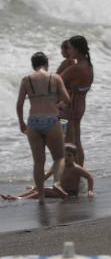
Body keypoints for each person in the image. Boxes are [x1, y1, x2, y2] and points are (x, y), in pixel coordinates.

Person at [15, 52, 70, 201]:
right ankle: (57, 183)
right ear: (46, 63)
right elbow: (67, 99)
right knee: (59, 157)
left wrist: (21, 122)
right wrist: (58, 105)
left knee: (38, 162)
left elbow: (20, 104)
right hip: (51, 120)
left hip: (33, 121)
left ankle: (40, 196)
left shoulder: (27, 80)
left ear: (33, 65)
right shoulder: (55, 78)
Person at [59, 35, 93, 166]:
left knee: (66, 141)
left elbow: (55, 82)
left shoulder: (76, 68)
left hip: (68, 108)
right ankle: (80, 169)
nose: (69, 51)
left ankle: (70, 172)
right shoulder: (88, 65)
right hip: (79, 105)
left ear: (77, 50)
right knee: (76, 140)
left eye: (71, 48)